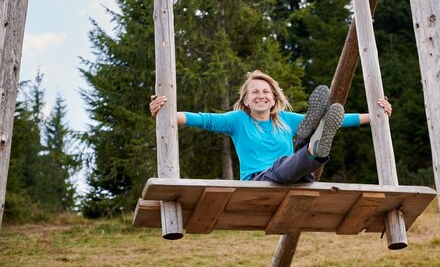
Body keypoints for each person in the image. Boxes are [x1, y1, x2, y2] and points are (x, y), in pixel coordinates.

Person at [149, 70, 392, 184]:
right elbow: (201, 119)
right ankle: (311, 147)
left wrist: (376, 115)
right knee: (288, 161)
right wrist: (165, 111)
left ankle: (310, 144)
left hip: (298, 177)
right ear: (245, 100)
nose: (261, 95)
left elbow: (340, 119)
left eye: (266, 92)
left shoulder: (284, 119)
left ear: (274, 99)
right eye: (254, 92)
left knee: (306, 142)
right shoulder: (237, 120)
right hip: (260, 180)